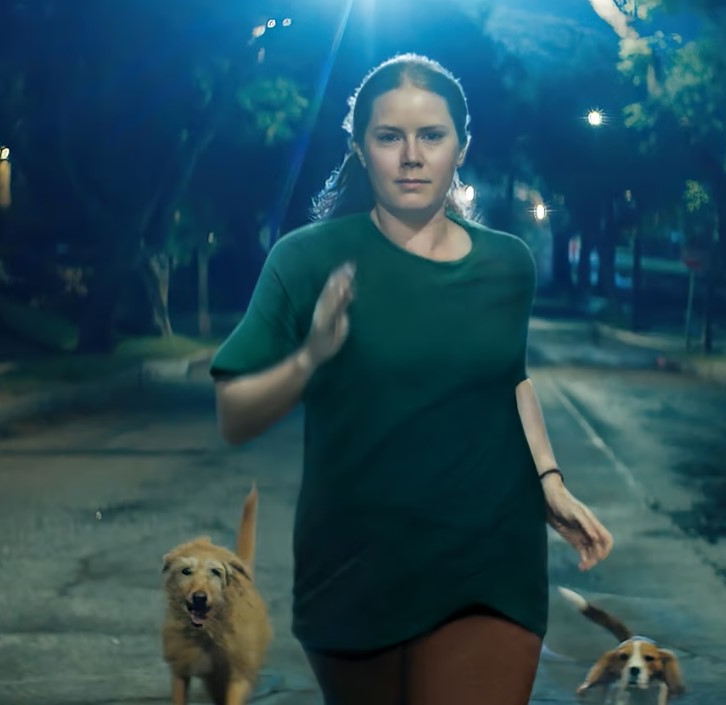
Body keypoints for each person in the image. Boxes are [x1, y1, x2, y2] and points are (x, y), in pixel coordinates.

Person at [210, 53, 613, 705]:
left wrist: (550, 481)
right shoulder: (306, 259)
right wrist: (309, 358)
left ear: (461, 146)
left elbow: (510, 379)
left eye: (432, 135)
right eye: (389, 136)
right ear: (361, 149)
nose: (411, 155)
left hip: (490, 561)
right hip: (354, 569)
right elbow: (234, 411)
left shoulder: (508, 264)